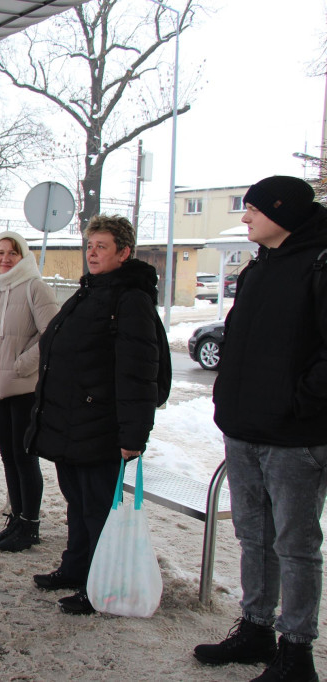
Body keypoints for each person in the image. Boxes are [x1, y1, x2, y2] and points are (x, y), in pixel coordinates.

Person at [194, 176, 327, 682]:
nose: (244, 218)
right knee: (254, 535)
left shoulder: (320, 263)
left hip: (295, 438)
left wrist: (296, 403)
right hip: (244, 429)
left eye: (251, 210)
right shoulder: (259, 268)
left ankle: (296, 652)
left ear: (282, 212)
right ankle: (255, 629)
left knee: (295, 544)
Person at [25, 214, 164, 615]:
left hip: (100, 425)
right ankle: (75, 568)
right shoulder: (91, 291)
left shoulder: (129, 298)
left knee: (98, 506)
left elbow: (139, 372)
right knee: (76, 500)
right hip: (73, 422)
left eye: (102, 247)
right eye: (90, 246)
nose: (93, 253)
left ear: (124, 252)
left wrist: (133, 436)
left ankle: (98, 584)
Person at [0, 231, 58, 553]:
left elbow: (53, 334)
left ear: (24, 256)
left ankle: (30, 525)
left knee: (24, 457)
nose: (5, 258)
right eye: (0, 253)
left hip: (23, 388)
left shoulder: (35, 287)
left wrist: (24, 364)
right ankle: (16, 519)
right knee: (8, 457)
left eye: (12, 253)